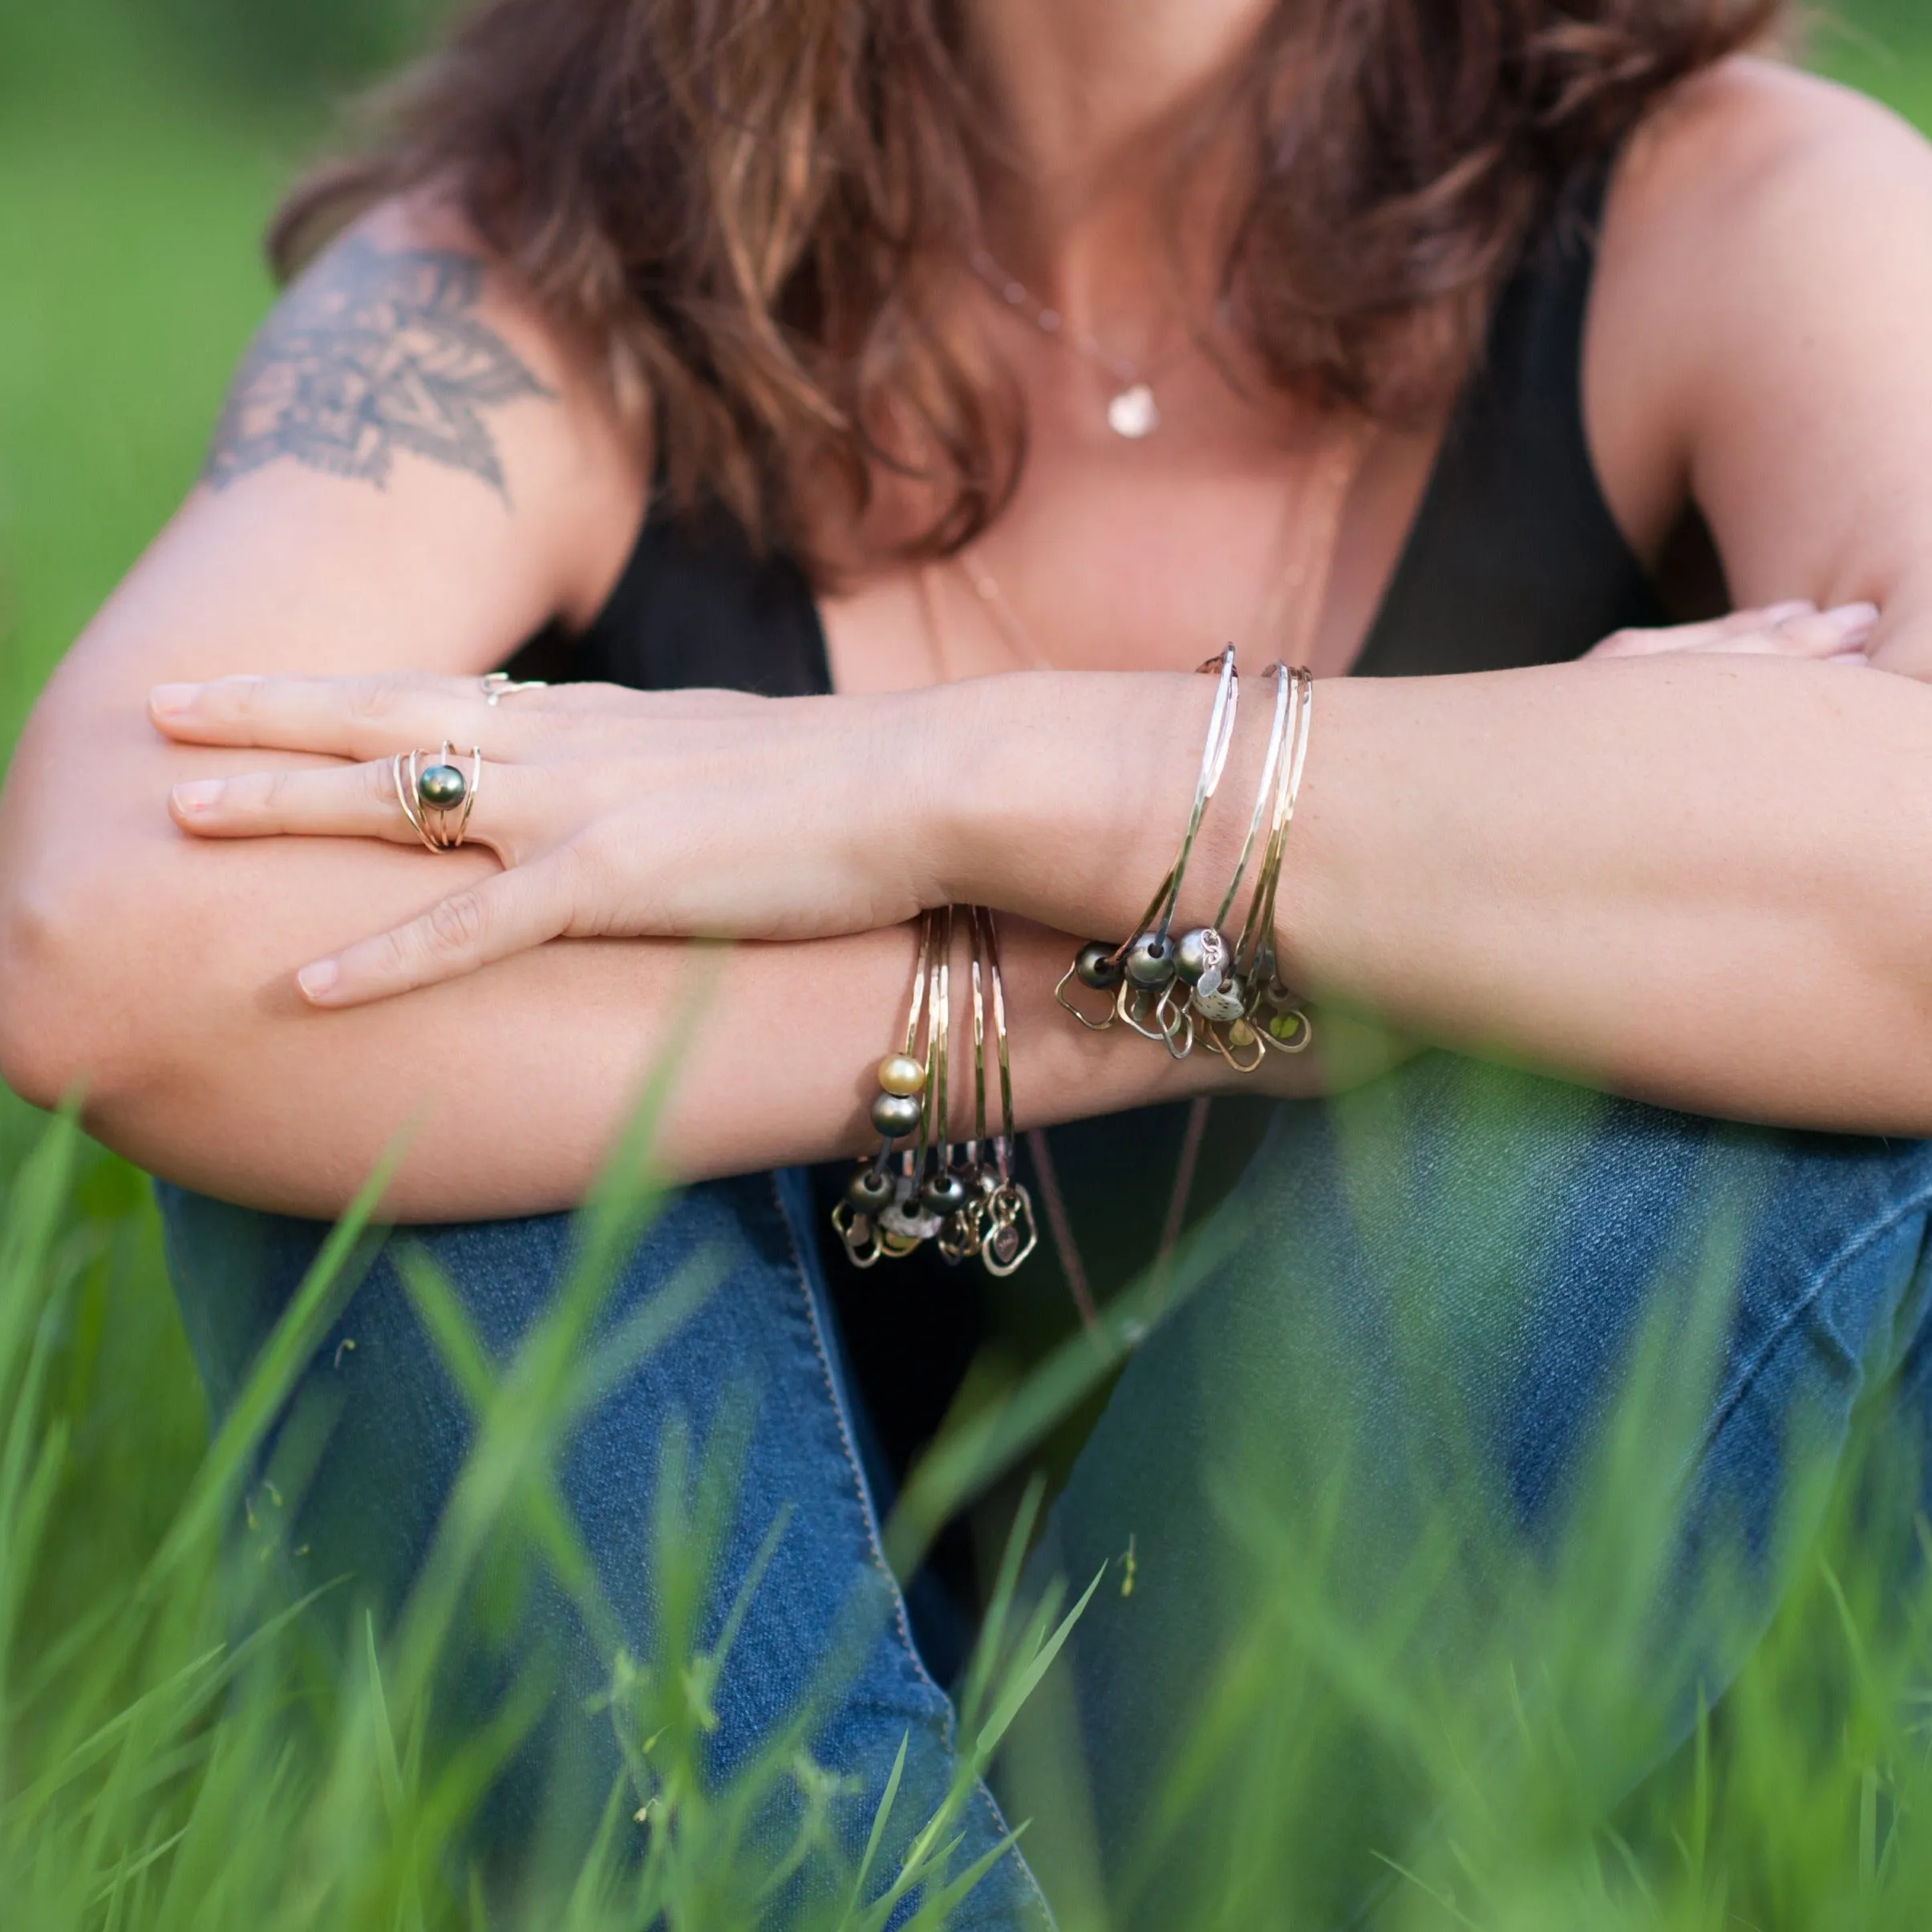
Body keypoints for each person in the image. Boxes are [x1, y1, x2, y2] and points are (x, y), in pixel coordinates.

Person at [6, 0, 1932, 1919]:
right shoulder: (529, 269)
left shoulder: (1731, 208)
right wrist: (1232, 993)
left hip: (1447, 1732)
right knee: (383, 1070)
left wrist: (954, 779)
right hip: (750, 1748)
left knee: (1688, 1059)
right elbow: (104, 926)